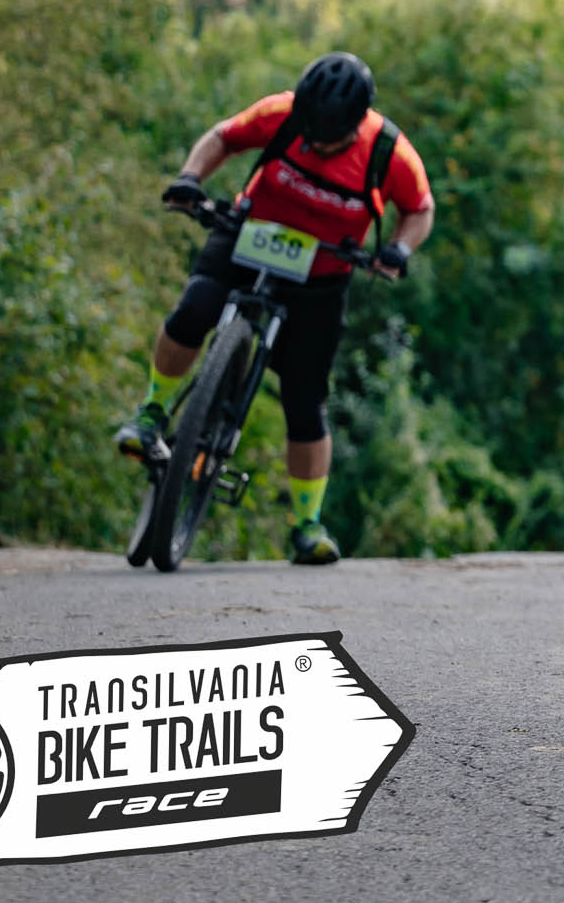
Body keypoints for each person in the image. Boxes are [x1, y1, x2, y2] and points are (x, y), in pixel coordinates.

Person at [113, 52, 435, 566]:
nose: (315, 143)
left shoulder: (390, 152)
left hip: (322, 273)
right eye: (308, 131)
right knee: (195, 308)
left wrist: (398, 248)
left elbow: (419, 209)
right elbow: (223, 138)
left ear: (356, 125)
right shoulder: (279, 113)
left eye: (328, 138)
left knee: (305, 400)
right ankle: (151, 414)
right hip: (248, 237)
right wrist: (190, 178)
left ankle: (307, 525)